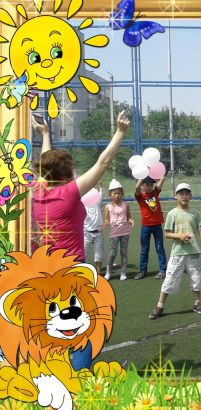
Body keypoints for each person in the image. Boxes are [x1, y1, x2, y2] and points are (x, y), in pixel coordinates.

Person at [31, 111, 129, 371]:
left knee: (50, 323)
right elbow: (103, 162)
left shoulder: (38, 192)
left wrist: (45, 135)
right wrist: (120, 132)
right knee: (85, 325)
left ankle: (49, 372)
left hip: (43, 270)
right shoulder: (69, 193)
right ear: (66, 174)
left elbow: (46, 164)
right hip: (71, 271)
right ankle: (79, 376)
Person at [149, 183, 201, 320]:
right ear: (175, 196)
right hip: (178, 253)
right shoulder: (172, 213)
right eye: (181, 194)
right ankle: (160, 305)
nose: (184, 196)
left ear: (190, 196)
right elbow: (167, 233)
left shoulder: (195, 212)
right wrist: (179, 236)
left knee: (196, 278)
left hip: (193, 252)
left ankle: (197, 303)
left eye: (187, 193)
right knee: (170, 278)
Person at [134, 176, 168, 280]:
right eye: (147, 185)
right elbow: (137, 187)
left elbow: (161, 180)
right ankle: (142, 271)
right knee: (144, 250)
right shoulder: (140, 196)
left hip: (157, 225)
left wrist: (160, 176)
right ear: (143, 185)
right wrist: (142, 175)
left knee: (160, 248)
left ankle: (163, 270)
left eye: (151, 185)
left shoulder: (155, 193)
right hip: (146, 226)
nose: (149, 187)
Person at [103, 179, 134, 281]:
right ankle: (108, 272)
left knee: (123, 252)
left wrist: (131, 221)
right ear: (110, 194)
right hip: (114, 233)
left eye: (119, 193)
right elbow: (107, 220)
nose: (117, 195)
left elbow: (128, 217)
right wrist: (104, 224)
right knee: (113, 253)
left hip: (125, 232)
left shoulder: (126, 205)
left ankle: (123, 272)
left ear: (122, 194)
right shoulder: (107, 207)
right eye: (114, 193)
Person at [83, 183, 104, 275]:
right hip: (86, 233)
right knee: (84, 253)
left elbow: (101, 195)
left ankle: (98, 273)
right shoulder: (83, 205)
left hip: (98, 233)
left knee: (98, 254)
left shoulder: (97, 203)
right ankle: (84, 272)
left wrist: (101, 186)